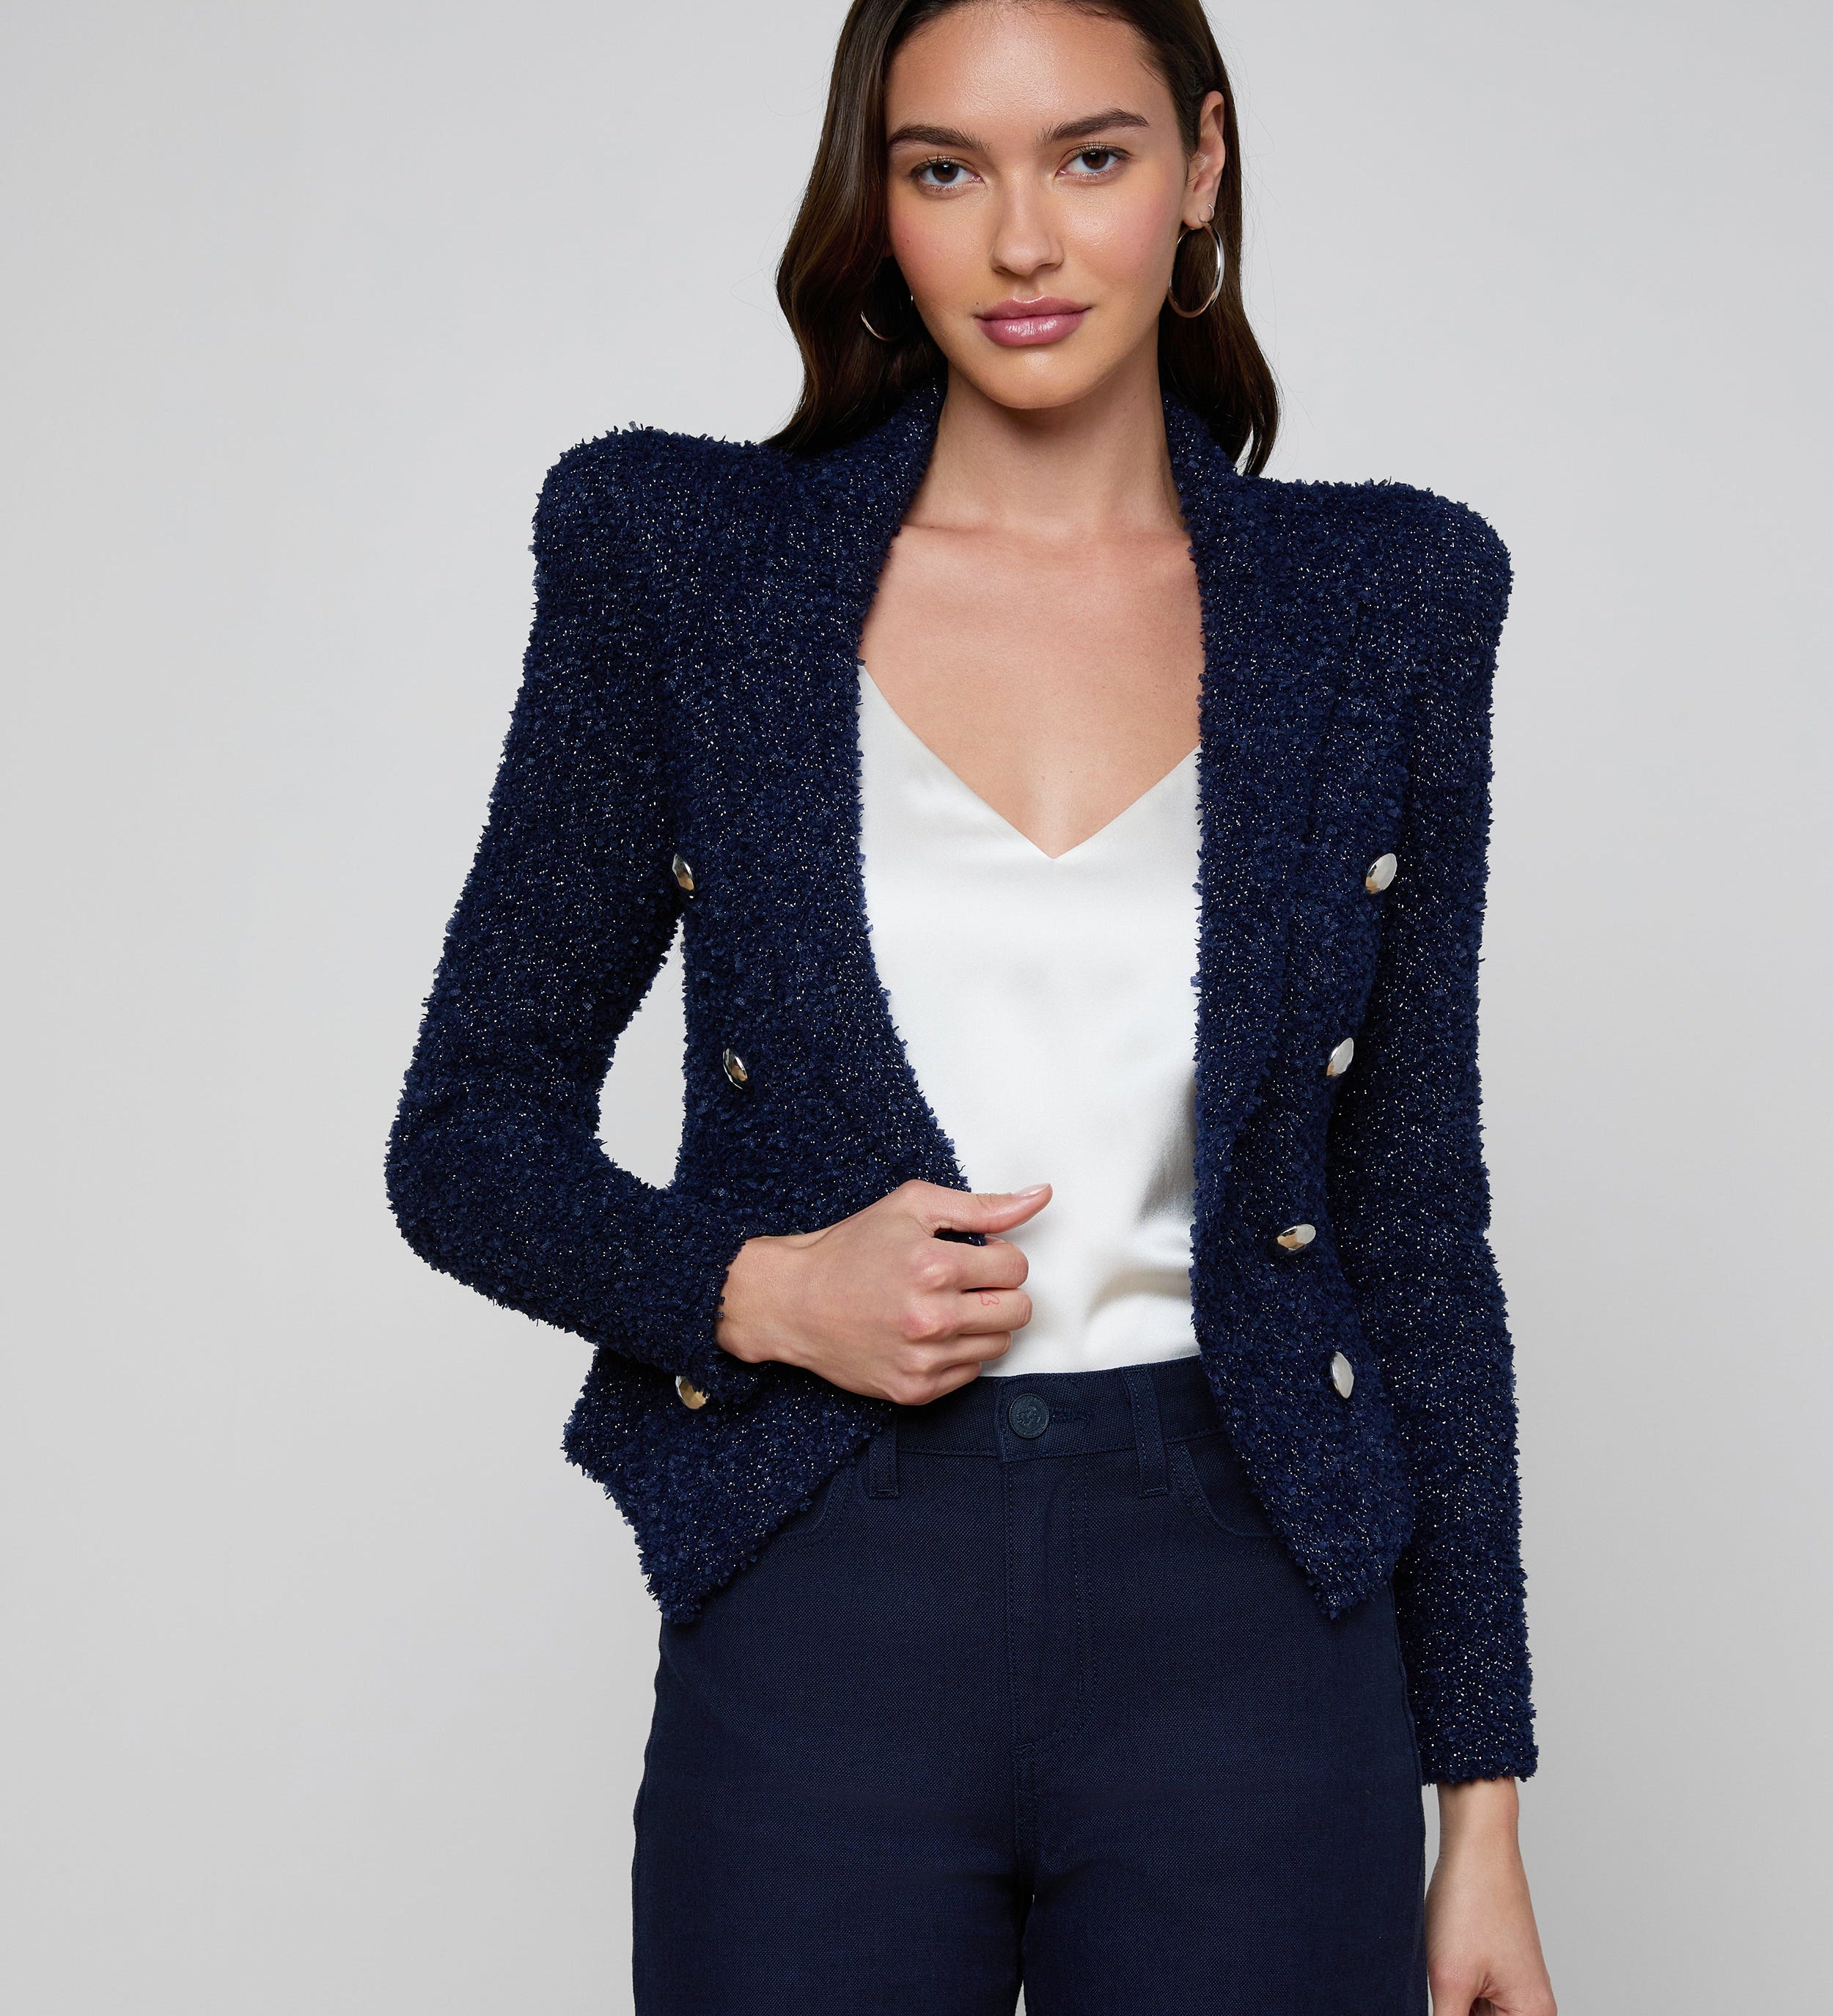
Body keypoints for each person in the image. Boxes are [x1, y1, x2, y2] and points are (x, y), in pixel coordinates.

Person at [386, 1, 1557, 2009]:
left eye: (1090, 157)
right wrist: (758, 1292)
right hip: (822, 1596)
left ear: (1200, 165)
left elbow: (1413, 1225)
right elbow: (465, 1136)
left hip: (1255, 1616)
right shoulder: (682, 565)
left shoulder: (1388, 602)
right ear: (880, 202)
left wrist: (1485, 1817)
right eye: (946, 169)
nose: (1022, 239)